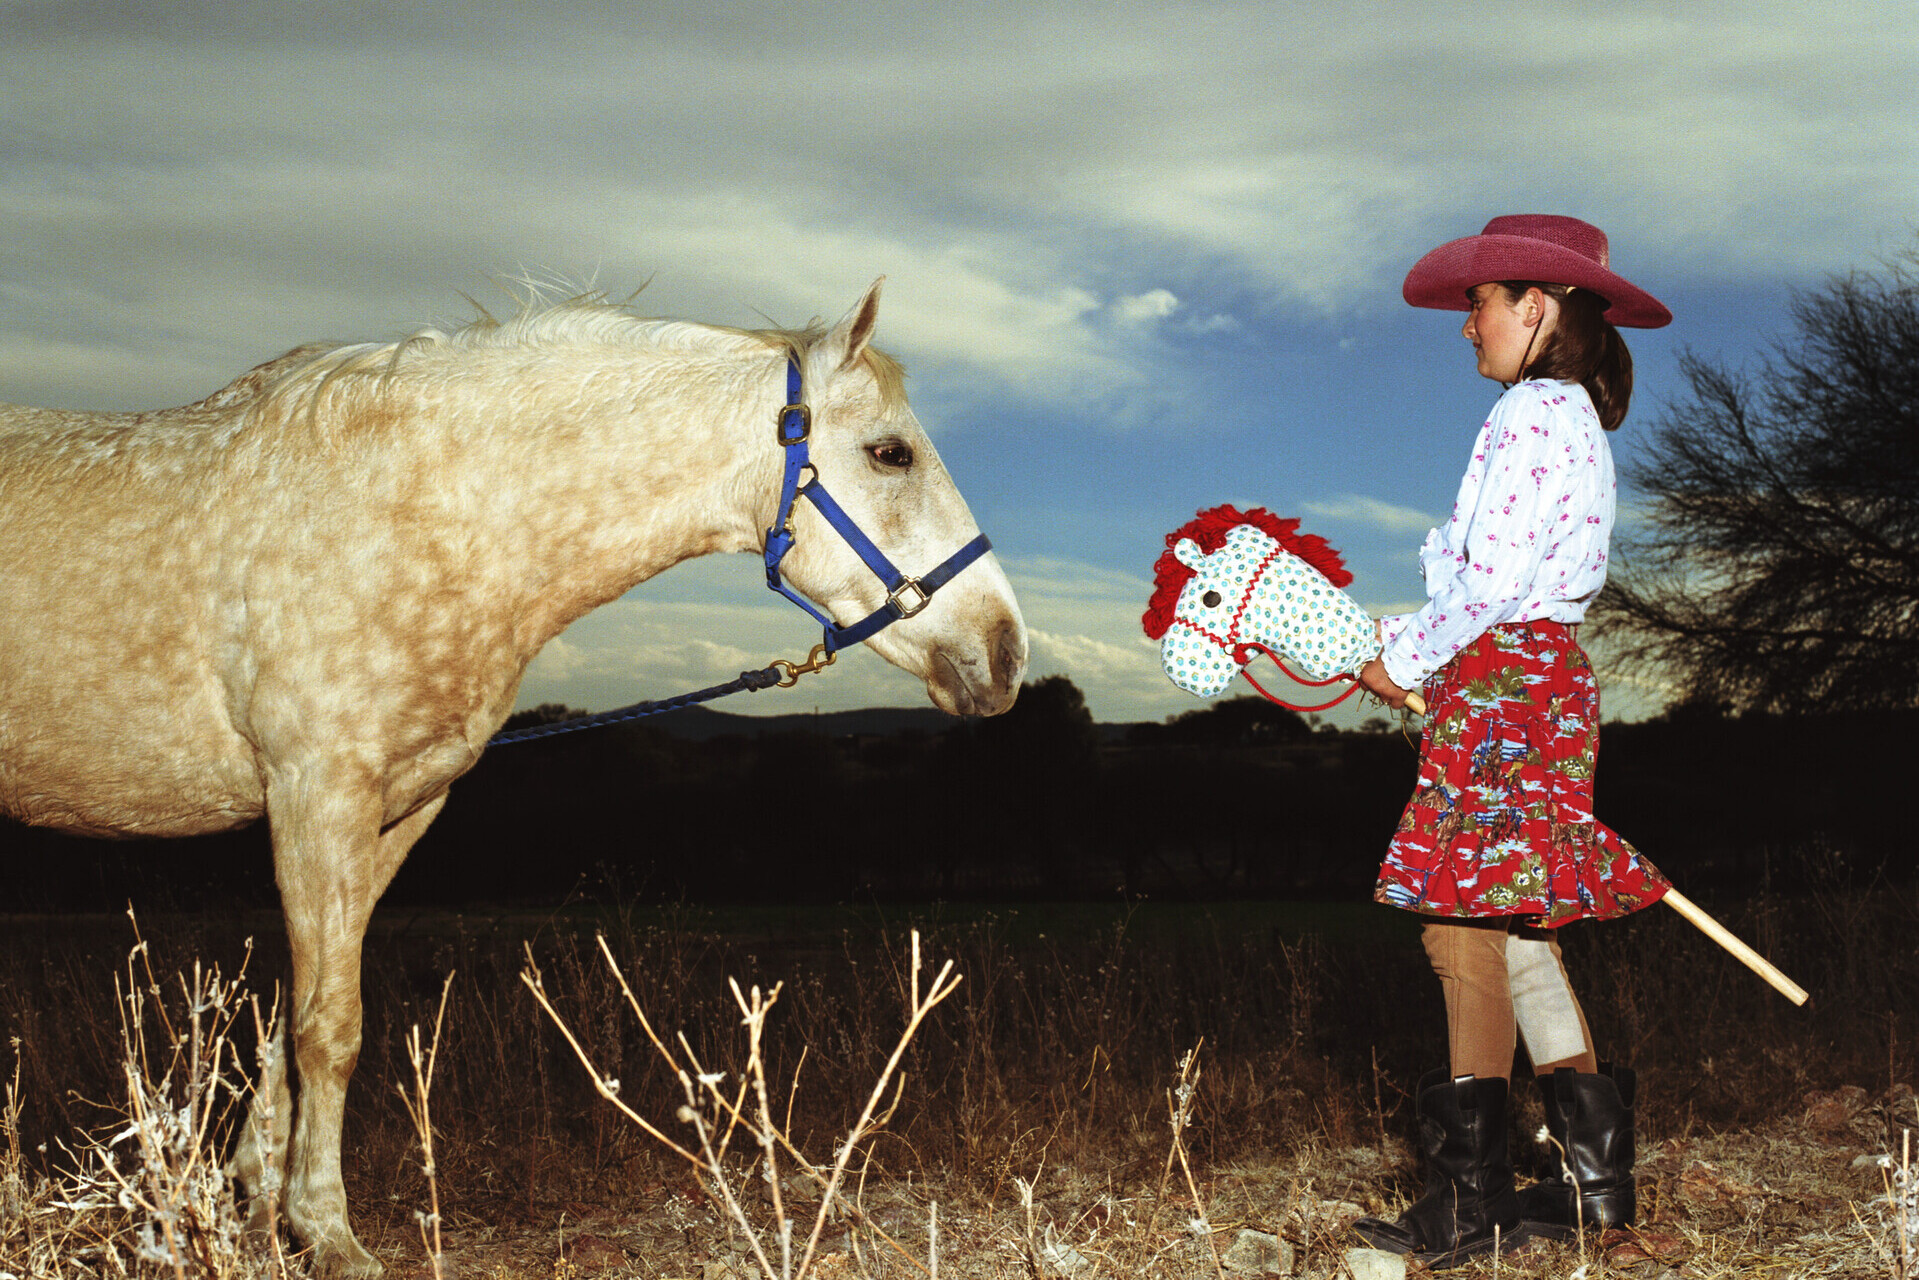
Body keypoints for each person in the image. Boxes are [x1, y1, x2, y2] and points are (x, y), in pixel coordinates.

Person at [1349, 215, 1673, 1266]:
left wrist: (1405, 660)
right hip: (1532, 674)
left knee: (1458, 926)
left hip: (1504, 680)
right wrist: (1403, 646)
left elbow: (1485, 587)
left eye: (1479, 303)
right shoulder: (1563, 413)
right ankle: (1595, 1187)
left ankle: (1469, 1204)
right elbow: (1497, 588)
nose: (1465, 326)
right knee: (1517, 923)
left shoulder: (1530, 411)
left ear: (1535, 306)